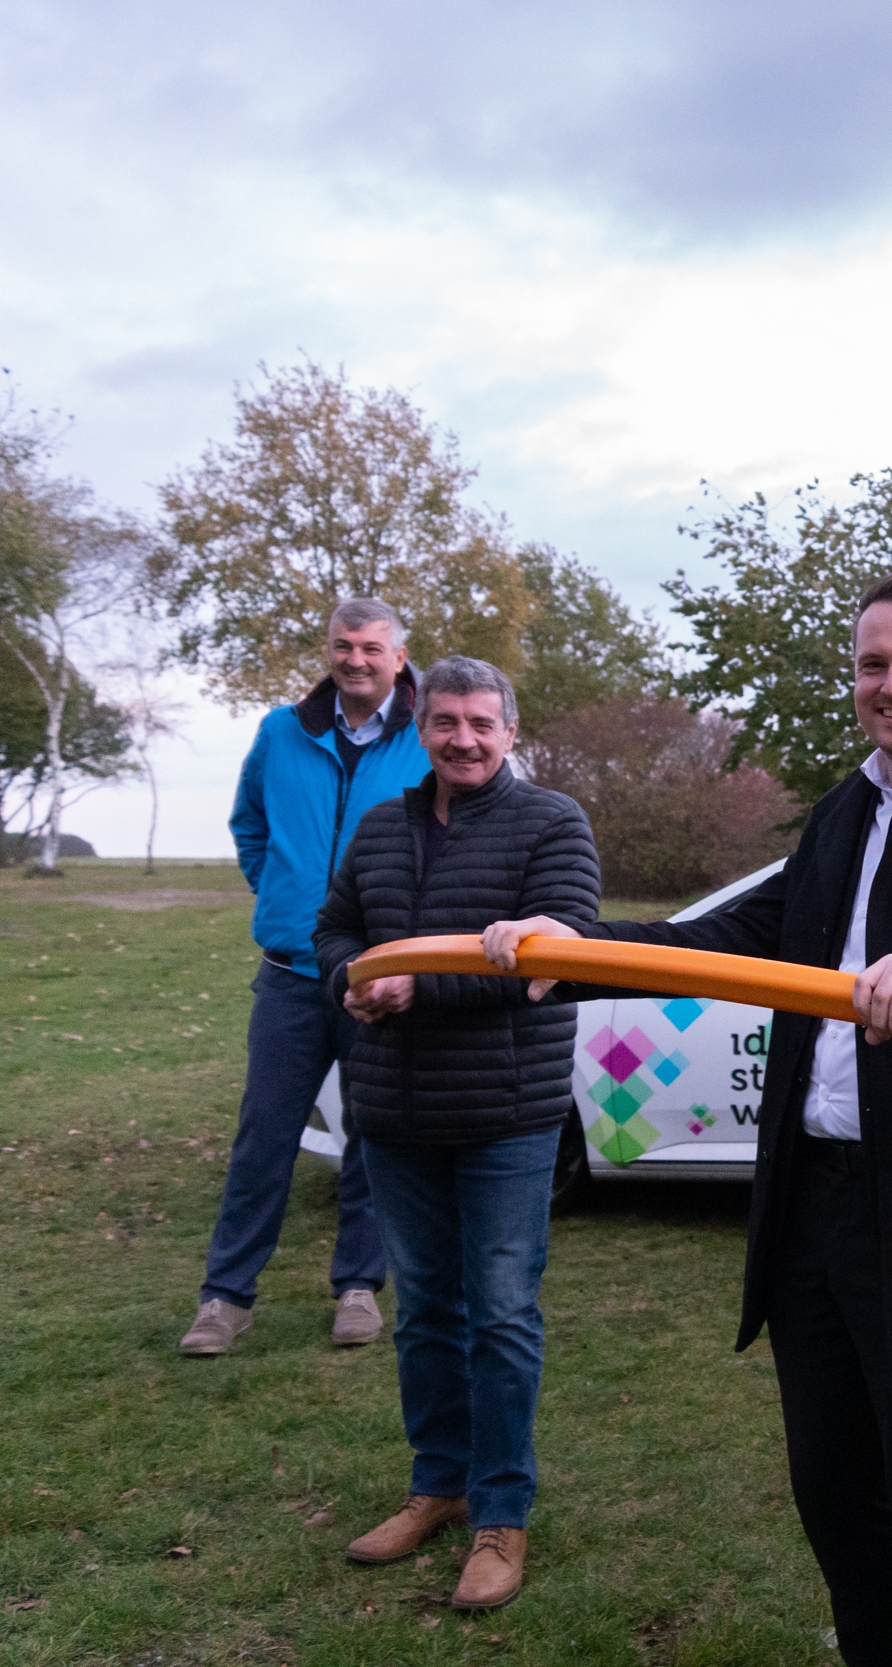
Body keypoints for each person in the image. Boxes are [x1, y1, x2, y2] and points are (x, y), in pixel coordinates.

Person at [481, 570, 892, 1666]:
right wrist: (579, 945)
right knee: (834, 1492)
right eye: (873, 664)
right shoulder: (838, 813)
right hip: (815, 1211)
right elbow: (736, 936)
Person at [315, 656, 599, 1614]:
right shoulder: (380, 826)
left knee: (502, 1313)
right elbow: (334, 930)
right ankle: (437, 1484)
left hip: (505, 1114)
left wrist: (415, 986)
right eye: (445, 721)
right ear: (421, 729)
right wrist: (351, 978)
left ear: (510, 732)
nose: (463, 739)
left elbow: (557, 954)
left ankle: (500, 1512)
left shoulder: (552, 821)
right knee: (426, 1311)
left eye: (482, 722)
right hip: (394, 1109)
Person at [183, 598, 428, 1357]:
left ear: (399, 656)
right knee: (264, 1137)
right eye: (343, 646)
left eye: (371, 648)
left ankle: (358, 1285)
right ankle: (225, 1297)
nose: (355, 660)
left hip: (376, 975)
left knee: (372, 1135)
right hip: (290, 975)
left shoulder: (426, 738)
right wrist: (283, 898)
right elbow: (250, 827)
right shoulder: (281, 732)